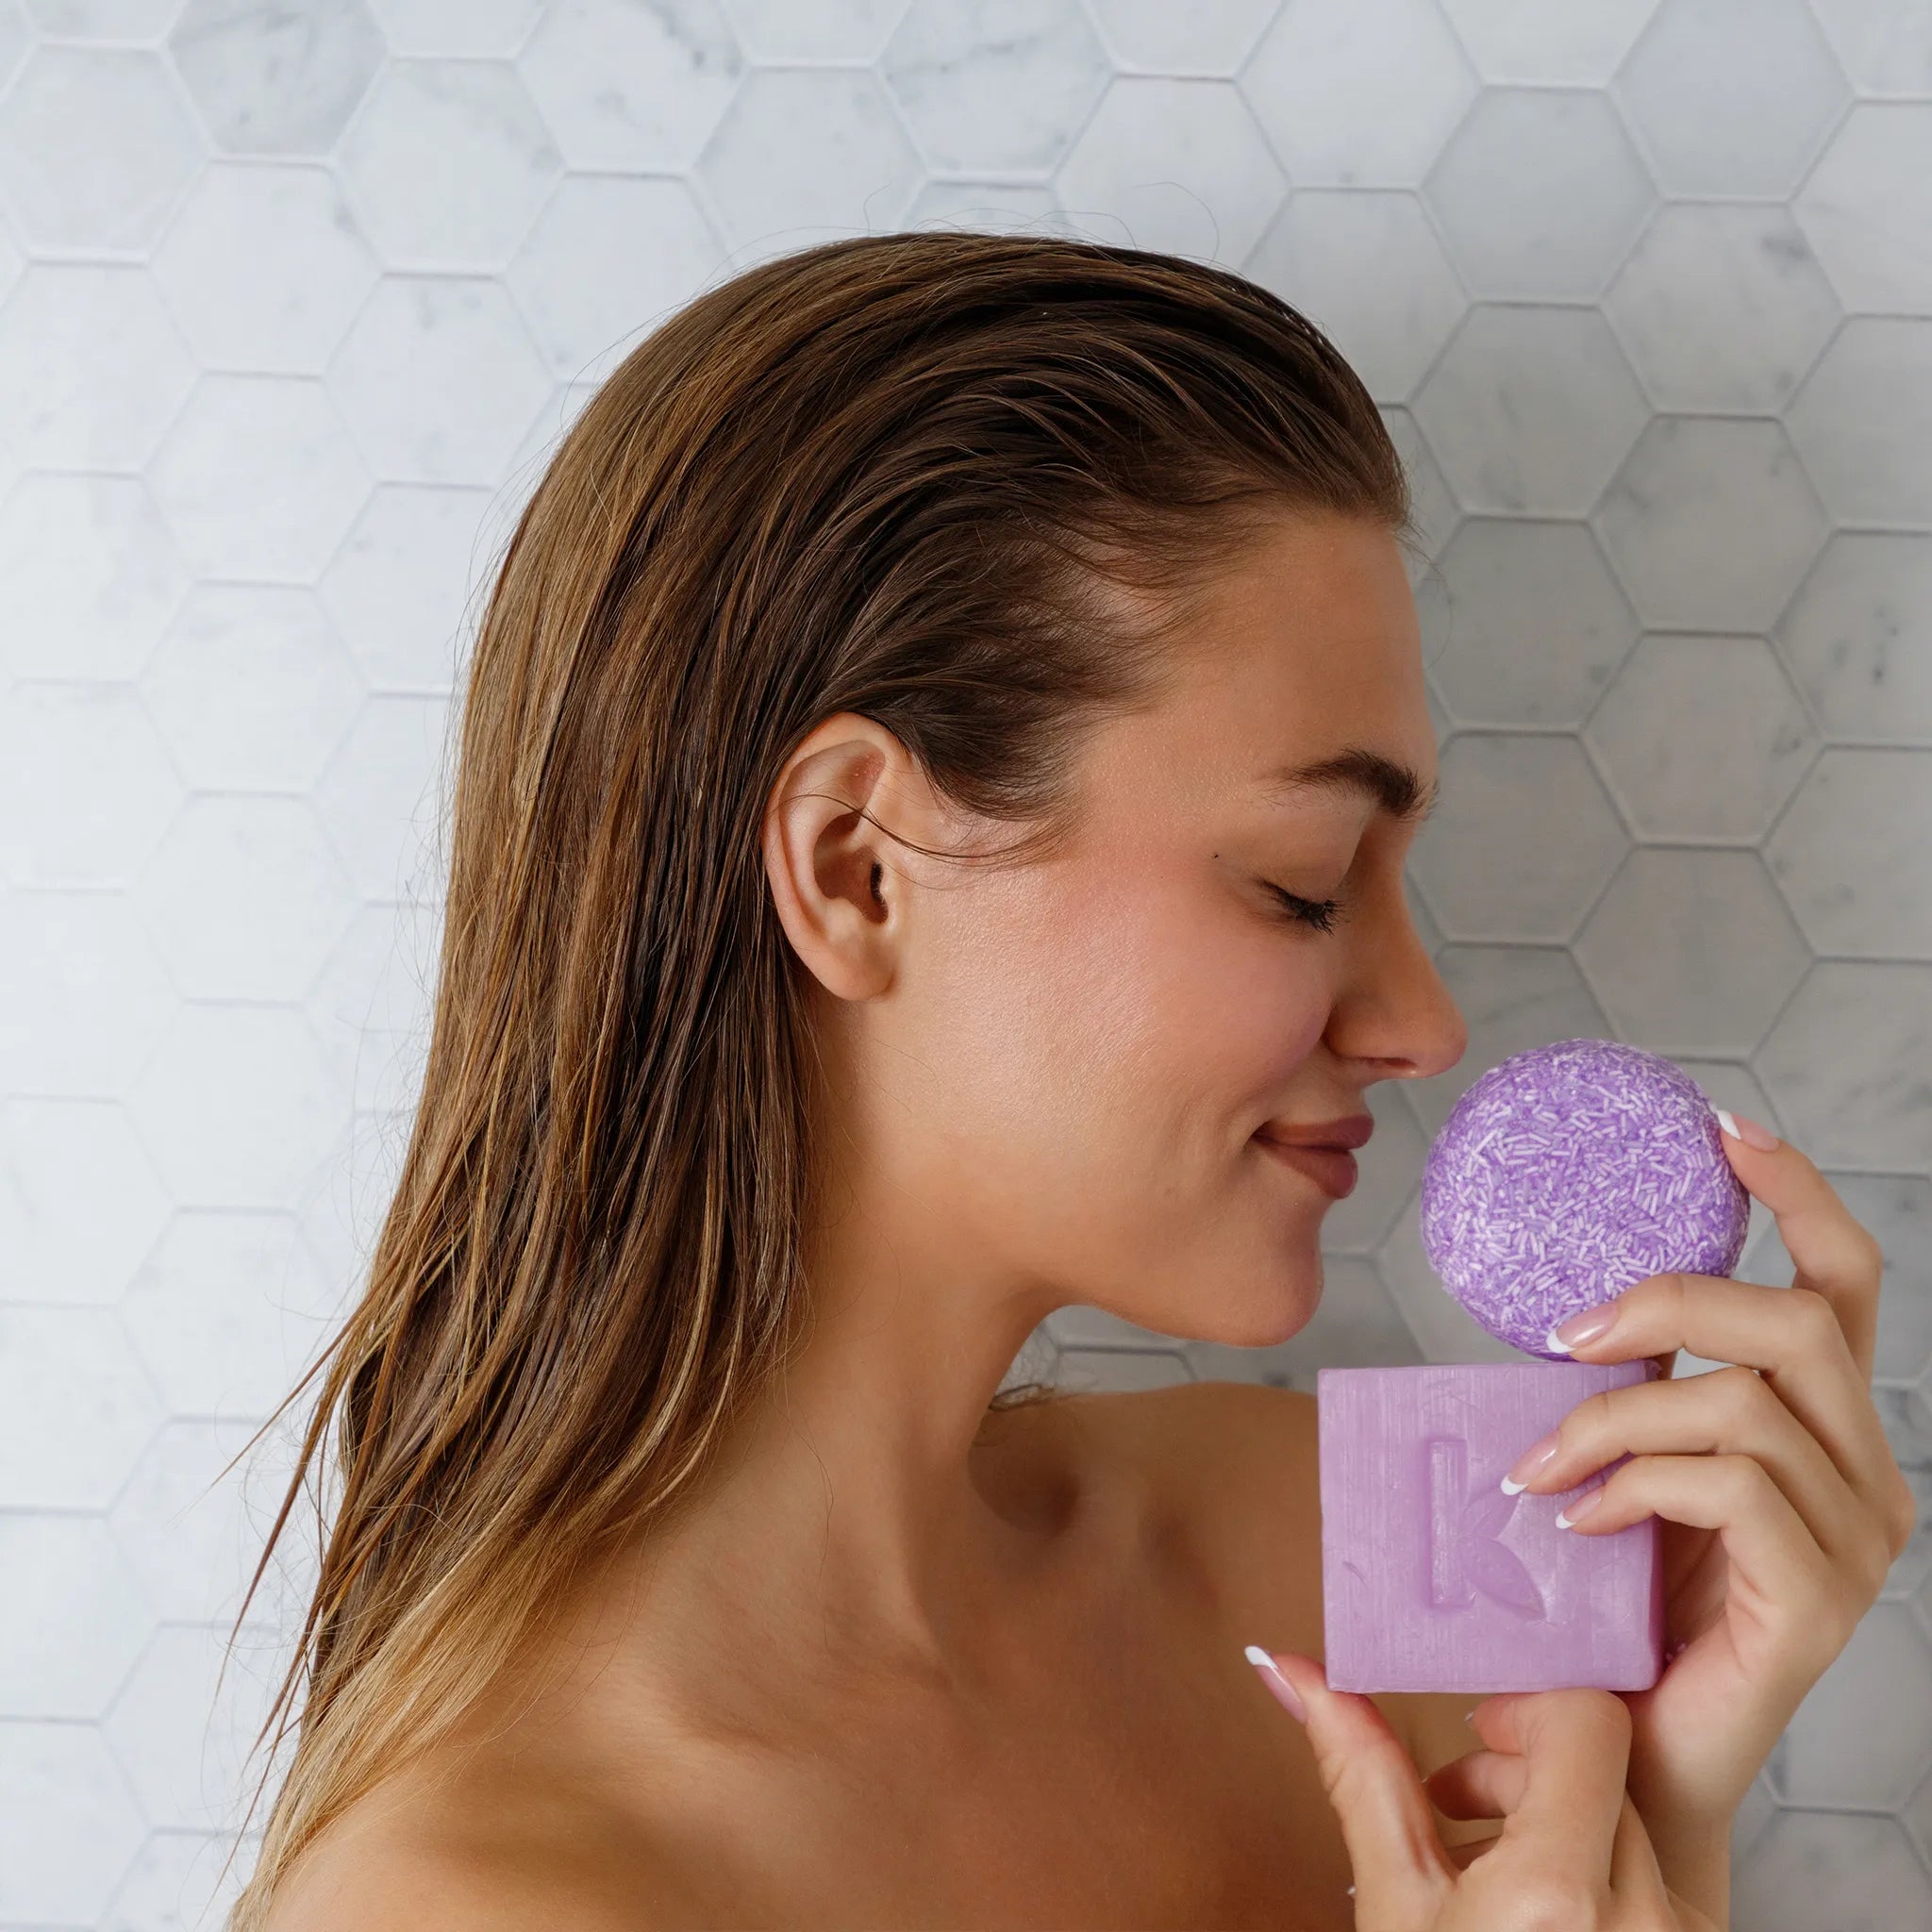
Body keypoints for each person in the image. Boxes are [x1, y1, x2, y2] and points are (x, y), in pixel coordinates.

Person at [231, 232, 1909, 1928]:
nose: (1422, 1024)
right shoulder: (499, 1897)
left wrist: (1664, 1795)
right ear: (856, 869)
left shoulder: (1332, 1558)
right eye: (1307, 882)